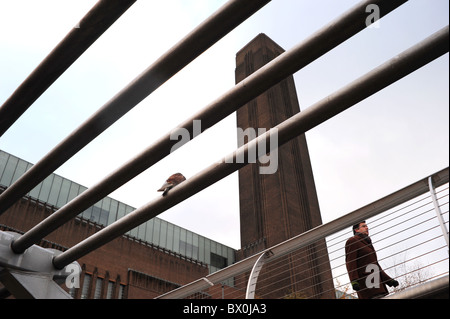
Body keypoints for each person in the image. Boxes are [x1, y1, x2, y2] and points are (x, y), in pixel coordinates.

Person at [345, 221, 399, 299]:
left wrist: (389, 280)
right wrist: (354, 281)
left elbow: (375, 265)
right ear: (356, 230)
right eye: (363, 226)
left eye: (367, 226)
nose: (367, 228)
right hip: (366, 284)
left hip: (377, 283)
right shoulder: (352, 241)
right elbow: (350, 263)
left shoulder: (368, 243)